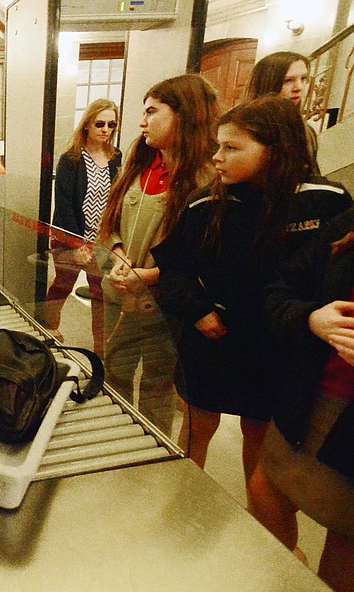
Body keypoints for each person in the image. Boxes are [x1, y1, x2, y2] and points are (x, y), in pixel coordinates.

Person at [153, 96, 352, 501]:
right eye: (217, 146)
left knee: (259, 438)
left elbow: (331, 282)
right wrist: (197, 309)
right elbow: (174, 268)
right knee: (196, 427)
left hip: (282, 344)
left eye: (231, 147)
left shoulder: (326, 202)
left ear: (275, 149)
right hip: (214, 336)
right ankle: (180, 504)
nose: (218, 158)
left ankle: (256, 518)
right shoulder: (205, 202)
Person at [96, 74, 220, 435]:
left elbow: (207, 259)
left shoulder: (208, 178)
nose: (142, 121)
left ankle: (149, 450)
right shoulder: (140, 161)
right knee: (115, 366)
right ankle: (113, 434)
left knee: (156, 380)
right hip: (123, 294)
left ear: (182, 115)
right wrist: (118, 257)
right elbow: (111, 222)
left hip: (165, 305)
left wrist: (150, 278)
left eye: (152, 111)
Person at [248, 207, 354, 592]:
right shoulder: (344, 225)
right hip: (312, 398)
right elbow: (280, 291)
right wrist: (312, 318)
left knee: (344, 547)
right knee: (265, 491)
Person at [44, 98, 122, 352]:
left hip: (102, 239)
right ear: (87, 124)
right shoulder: (71, 159)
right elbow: (64, 205)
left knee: (102, 293)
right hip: (71, 235)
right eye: (100, 123)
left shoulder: (115, 157)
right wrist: (77, 245)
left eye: (111, 124)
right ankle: (50, 327)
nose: (105, 129)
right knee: (63, 284)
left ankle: (100, 346)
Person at [245, 51, 318, 171]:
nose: (299, 87)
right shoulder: (246, 128)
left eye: (304, 79)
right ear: (267, 83)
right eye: (288, 80)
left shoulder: (306, 131)